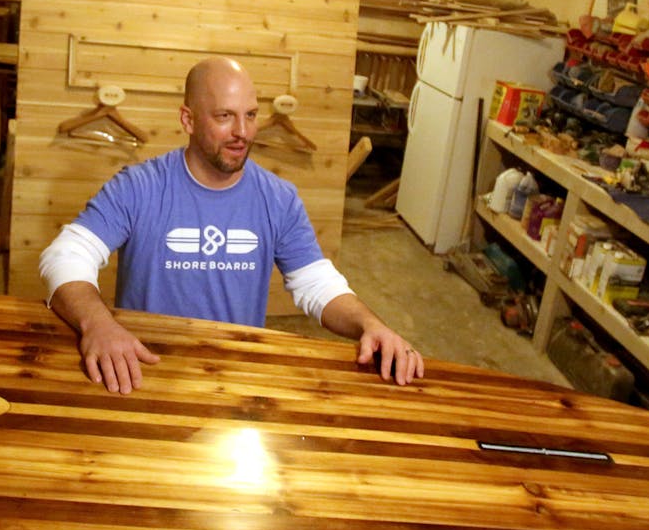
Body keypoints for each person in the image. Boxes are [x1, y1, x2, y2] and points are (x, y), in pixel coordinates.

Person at [39, 56, 424, 394]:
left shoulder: (279, 198)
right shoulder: (139, 187)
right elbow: (66, 256)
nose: (242, 131)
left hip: (234, 377)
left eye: (251, 115)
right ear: (188, 119)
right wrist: (98, 325)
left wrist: (369, 324)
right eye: (225, 116)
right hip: (140, 371)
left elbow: (317, 284)